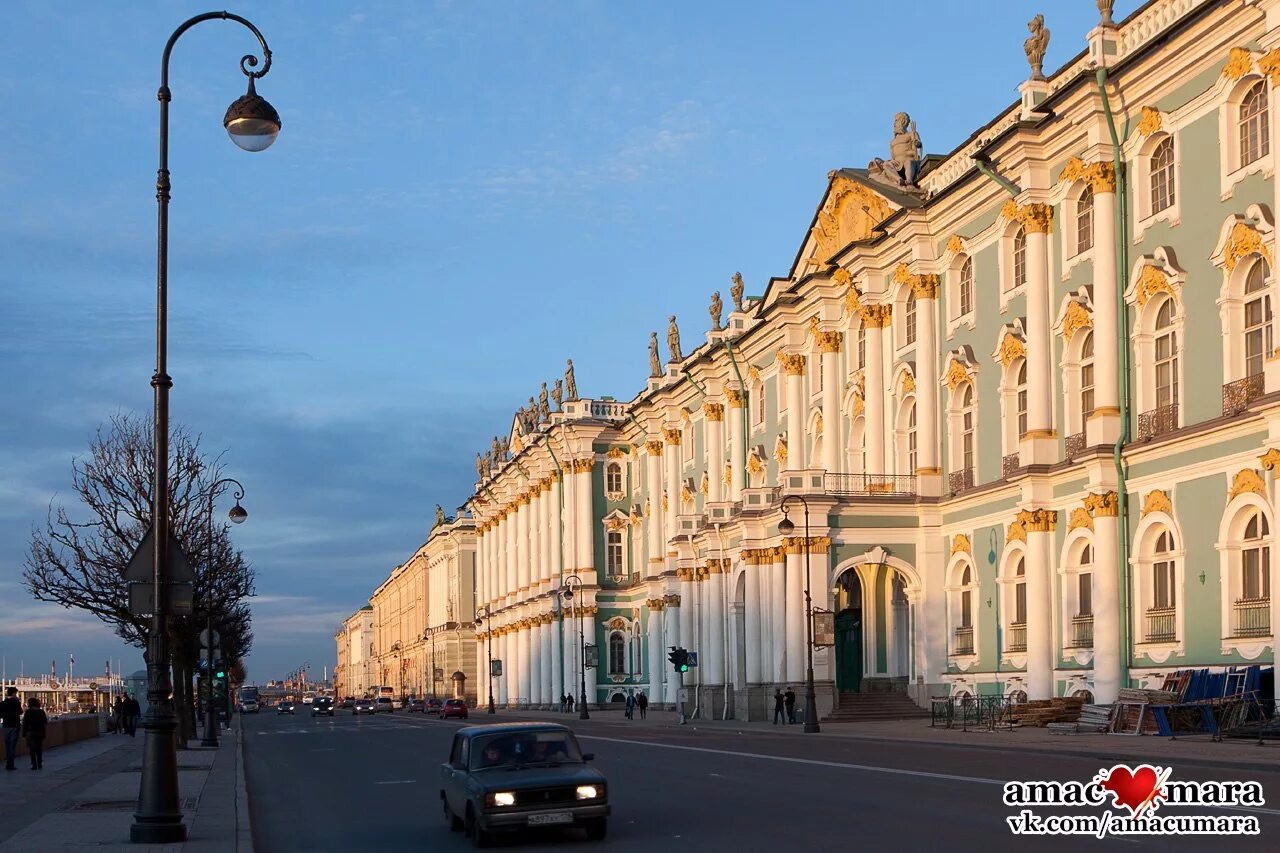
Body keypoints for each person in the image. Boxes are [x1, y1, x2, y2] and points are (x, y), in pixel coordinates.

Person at [22, 698, 47, 770]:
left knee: (32, 749)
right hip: (40, 732)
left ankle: (34, 764)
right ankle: (39, 763)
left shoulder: (28, 712)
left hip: (30, 732)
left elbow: (25, 724)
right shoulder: (41, 712)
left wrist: (23, 735)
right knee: (39, 748)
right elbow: (45, 722)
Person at [1, 688, 21, 771]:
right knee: (12, 747)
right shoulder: (15, 702)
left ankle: (8, 763)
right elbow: (20, 712)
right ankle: (10, 764)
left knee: (7, 745)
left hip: (6, 725)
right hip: (14, 726)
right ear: (13, 693)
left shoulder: (3, 703)